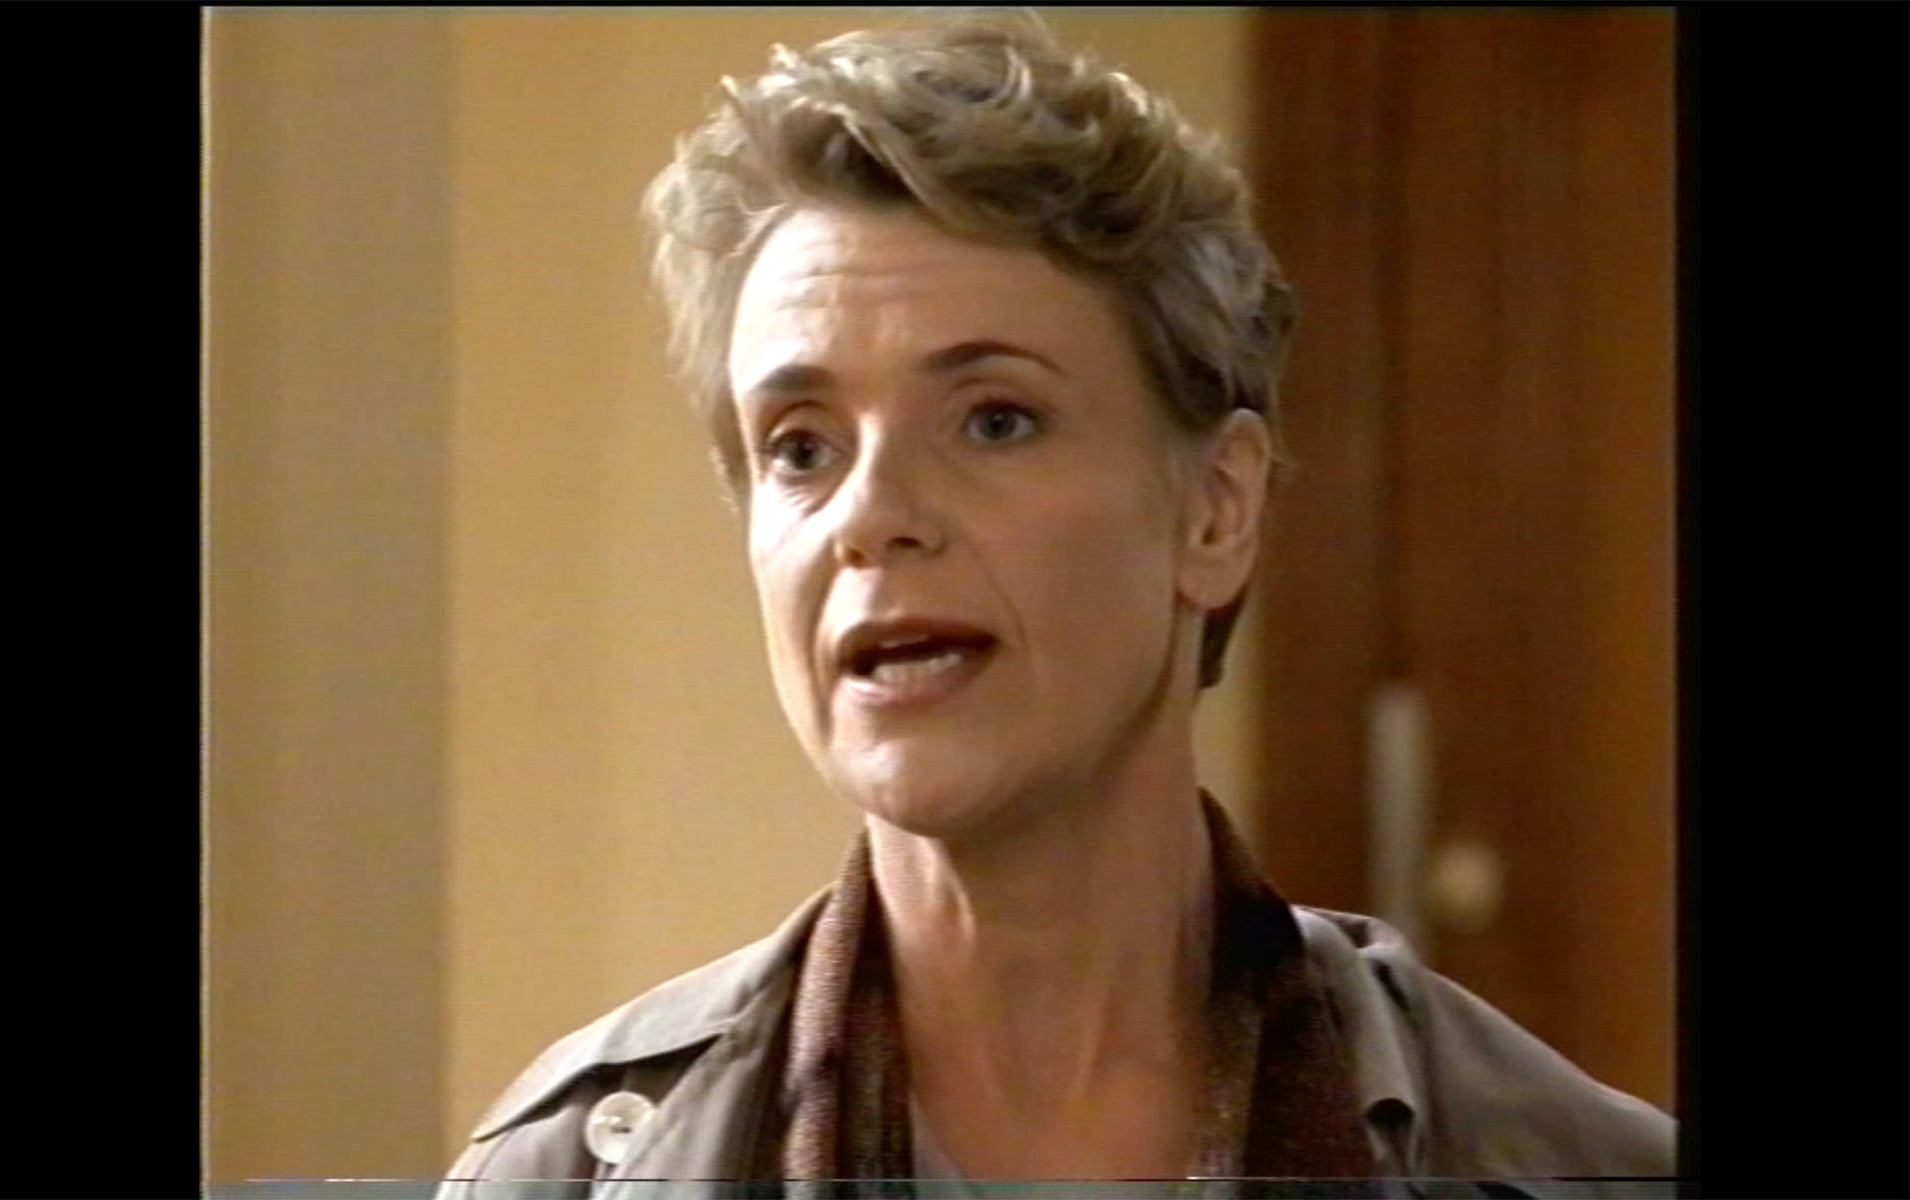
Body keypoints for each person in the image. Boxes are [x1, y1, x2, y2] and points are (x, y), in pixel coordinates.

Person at [438, 12, 1674, 1196]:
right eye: (802, 447)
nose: (874, 514)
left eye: (996, 421)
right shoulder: (569, 1173)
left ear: (1215, 511)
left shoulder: (1565, 1167)